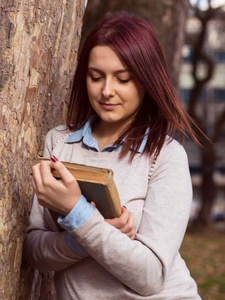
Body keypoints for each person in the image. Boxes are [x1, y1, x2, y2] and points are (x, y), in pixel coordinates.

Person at [24, 12, 202, 299]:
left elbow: (150, 277)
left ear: (146, 80)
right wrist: (80, 238)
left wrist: (77, 213)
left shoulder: (166, 156)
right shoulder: (58, 143)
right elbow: (34, 251)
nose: (107, 91)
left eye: (123, 79)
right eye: (96, 77)